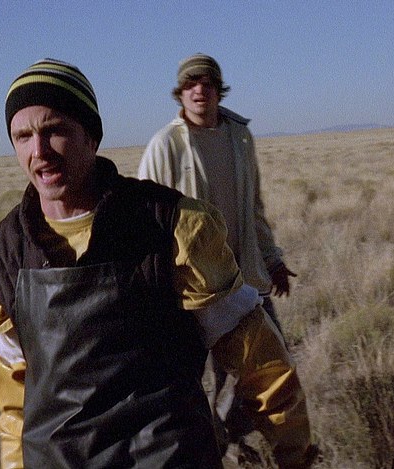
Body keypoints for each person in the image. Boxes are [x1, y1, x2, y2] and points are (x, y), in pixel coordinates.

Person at [0, 58, 314, 468]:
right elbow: (14, 394)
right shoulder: (3, 252)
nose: (39, 151)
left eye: (55, 130)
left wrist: (294, 450)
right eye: (23, 136)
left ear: (90, 136)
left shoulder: (175, 228)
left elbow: (258, 360)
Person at [138, 53, 298, 454]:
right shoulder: (164, 145)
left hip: (244, 281)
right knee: (187, 384)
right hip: (191, 289)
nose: (199, 90)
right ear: (180, 92)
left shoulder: (239, 138)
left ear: (218, 90)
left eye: (207, 83)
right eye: (190, 83)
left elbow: (253, 208)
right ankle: (210, 448)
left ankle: (230, 435)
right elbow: (143, 221)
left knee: (268, 367)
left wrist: (272, 259)